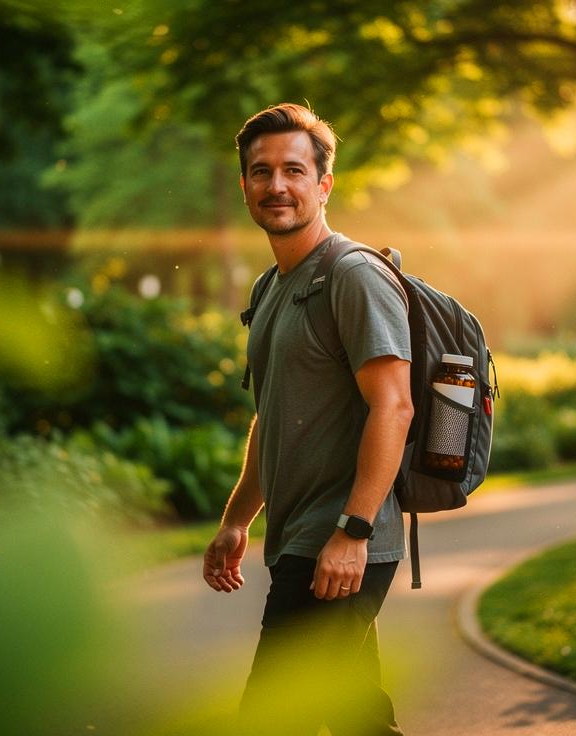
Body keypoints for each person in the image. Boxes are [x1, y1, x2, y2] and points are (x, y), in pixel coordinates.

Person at [202, 103, 413, 736]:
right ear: (244, 186)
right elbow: (275, 415)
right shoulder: (270, 289)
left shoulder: (353, 276)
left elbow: (394, 405)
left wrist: (352, 531)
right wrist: (237, 521)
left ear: (324, 184)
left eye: (294, 170)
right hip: (301, 541)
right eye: (261, 172)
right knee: (354, 717)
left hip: (342, 540)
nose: (277, 186)